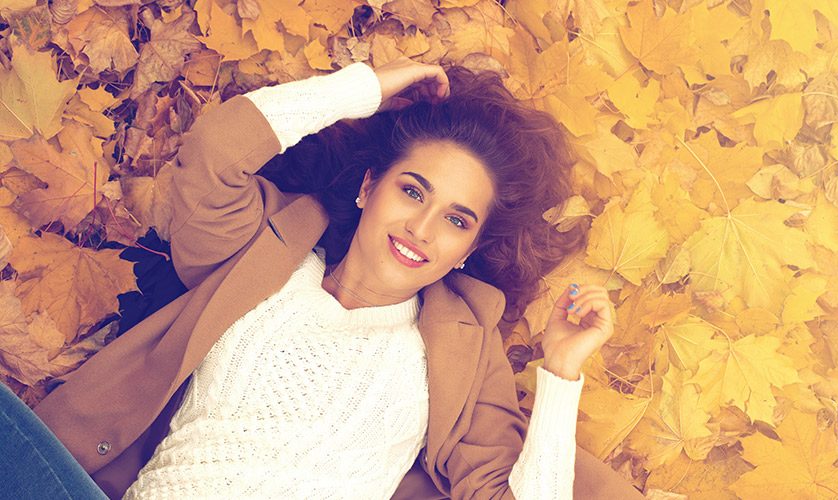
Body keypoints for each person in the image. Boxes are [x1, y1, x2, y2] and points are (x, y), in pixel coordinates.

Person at [3, 58, 644, 498]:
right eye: (412, 190)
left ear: (469, 248)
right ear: (370, 187)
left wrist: (560, 375)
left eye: (455, 219)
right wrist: (360, 89)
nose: (421, 228)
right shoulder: (269, 247)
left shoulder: (461, 346)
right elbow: (214, 157)